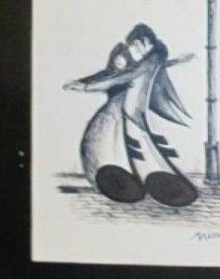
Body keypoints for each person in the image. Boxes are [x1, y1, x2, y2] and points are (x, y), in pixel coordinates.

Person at [63, 23, 199, 207]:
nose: (132, 50)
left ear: (146, 43)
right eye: (131, 46)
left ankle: (161, 184)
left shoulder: (149, 60)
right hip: (127, 111)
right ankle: (139, 180)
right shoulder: (152, 60)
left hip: (129, 112)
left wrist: (85, 86)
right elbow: (114, 75)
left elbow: (121, 77)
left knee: (132, 146)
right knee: (130, 146)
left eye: (135, 45)